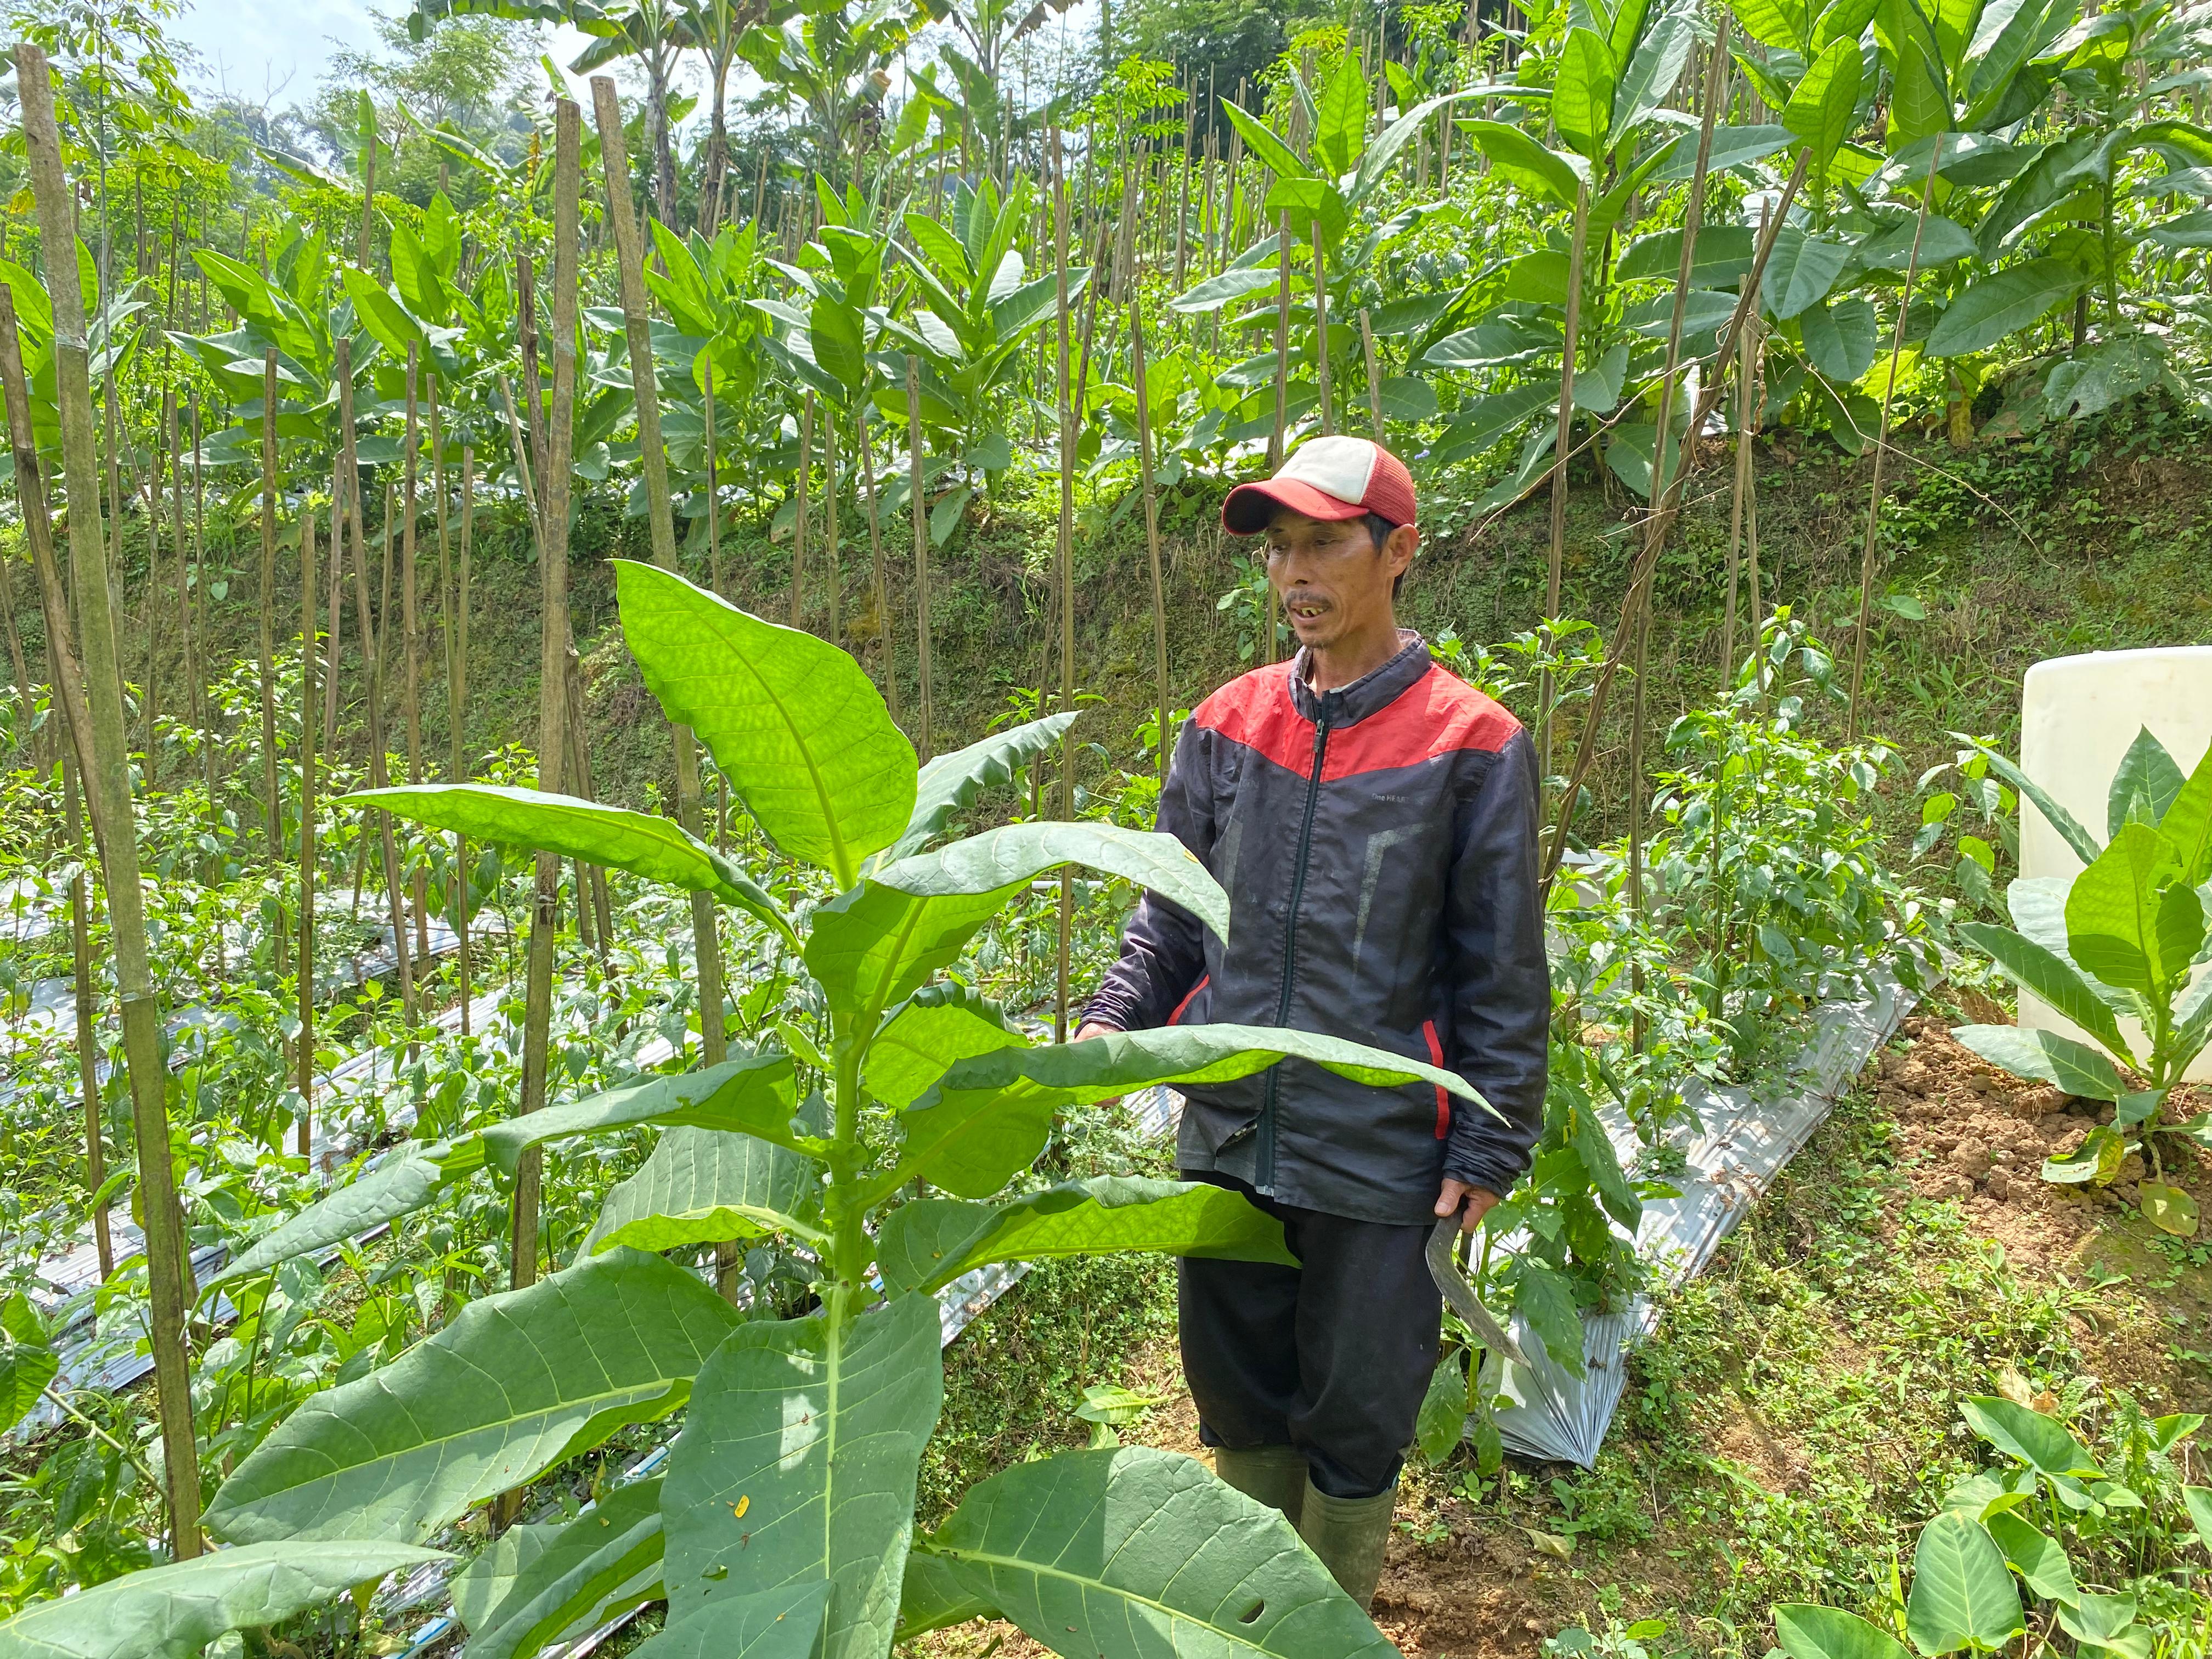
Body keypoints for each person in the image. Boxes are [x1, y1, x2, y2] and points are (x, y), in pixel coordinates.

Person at [1077, 435, 1549, 1610]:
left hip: (1380, 1149)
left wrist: (1492, 1140)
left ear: (1400, 552)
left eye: (1325, 542)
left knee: (1358, 1410)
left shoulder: (1471, 745)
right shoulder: (1231, 723)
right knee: (1237, 1393)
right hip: (1230, 1129)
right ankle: (1251, 1620)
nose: (1296, 571)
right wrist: (1110, 1023)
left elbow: (1501, 961)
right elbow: (1171, 918)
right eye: (1280, 547)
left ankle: (1327, 1621)